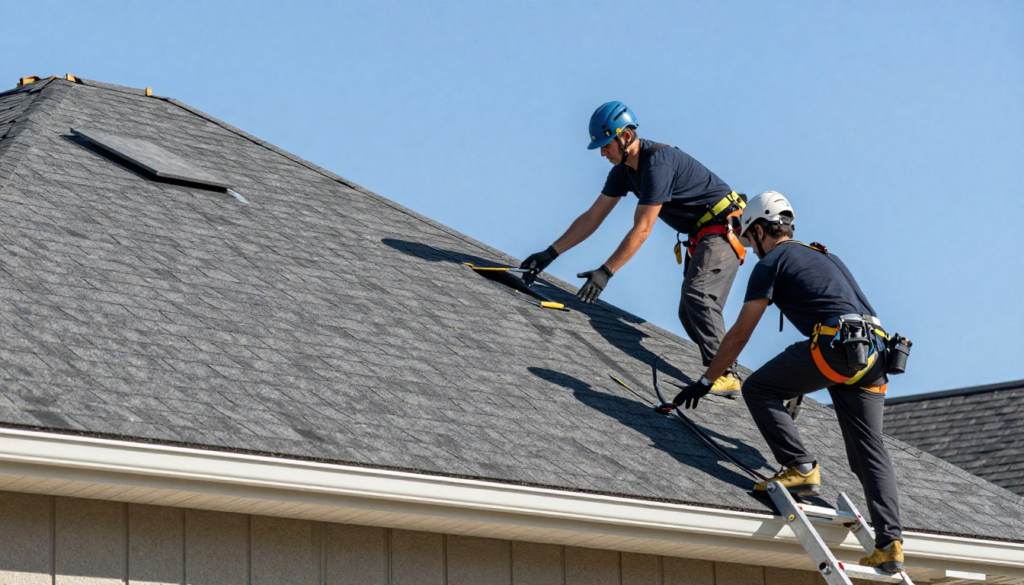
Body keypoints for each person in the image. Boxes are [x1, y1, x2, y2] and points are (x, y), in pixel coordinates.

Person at [655, 191, 906, 573]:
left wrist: (707, 380)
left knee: (759, 389)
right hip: (875, 355)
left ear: (758, 231)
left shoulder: (772, 261)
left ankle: (799, 467)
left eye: (746, 235)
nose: (749, 246)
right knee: (869, 452)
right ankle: (890, 543)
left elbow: (739, 333)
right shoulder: (824, 255)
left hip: (836, 347)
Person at [521, 101, 747, 395]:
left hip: (722, 228)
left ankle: (725, 373)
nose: (602, 152)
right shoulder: (623, 172)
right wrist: (549, 254)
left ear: (625, 136)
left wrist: (606, 272)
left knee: (698, 295)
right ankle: (724, 367)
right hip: (702, 234)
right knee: (688, 311)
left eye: (606, 144)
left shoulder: (658, 164)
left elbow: (643, 228)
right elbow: (593, 216)